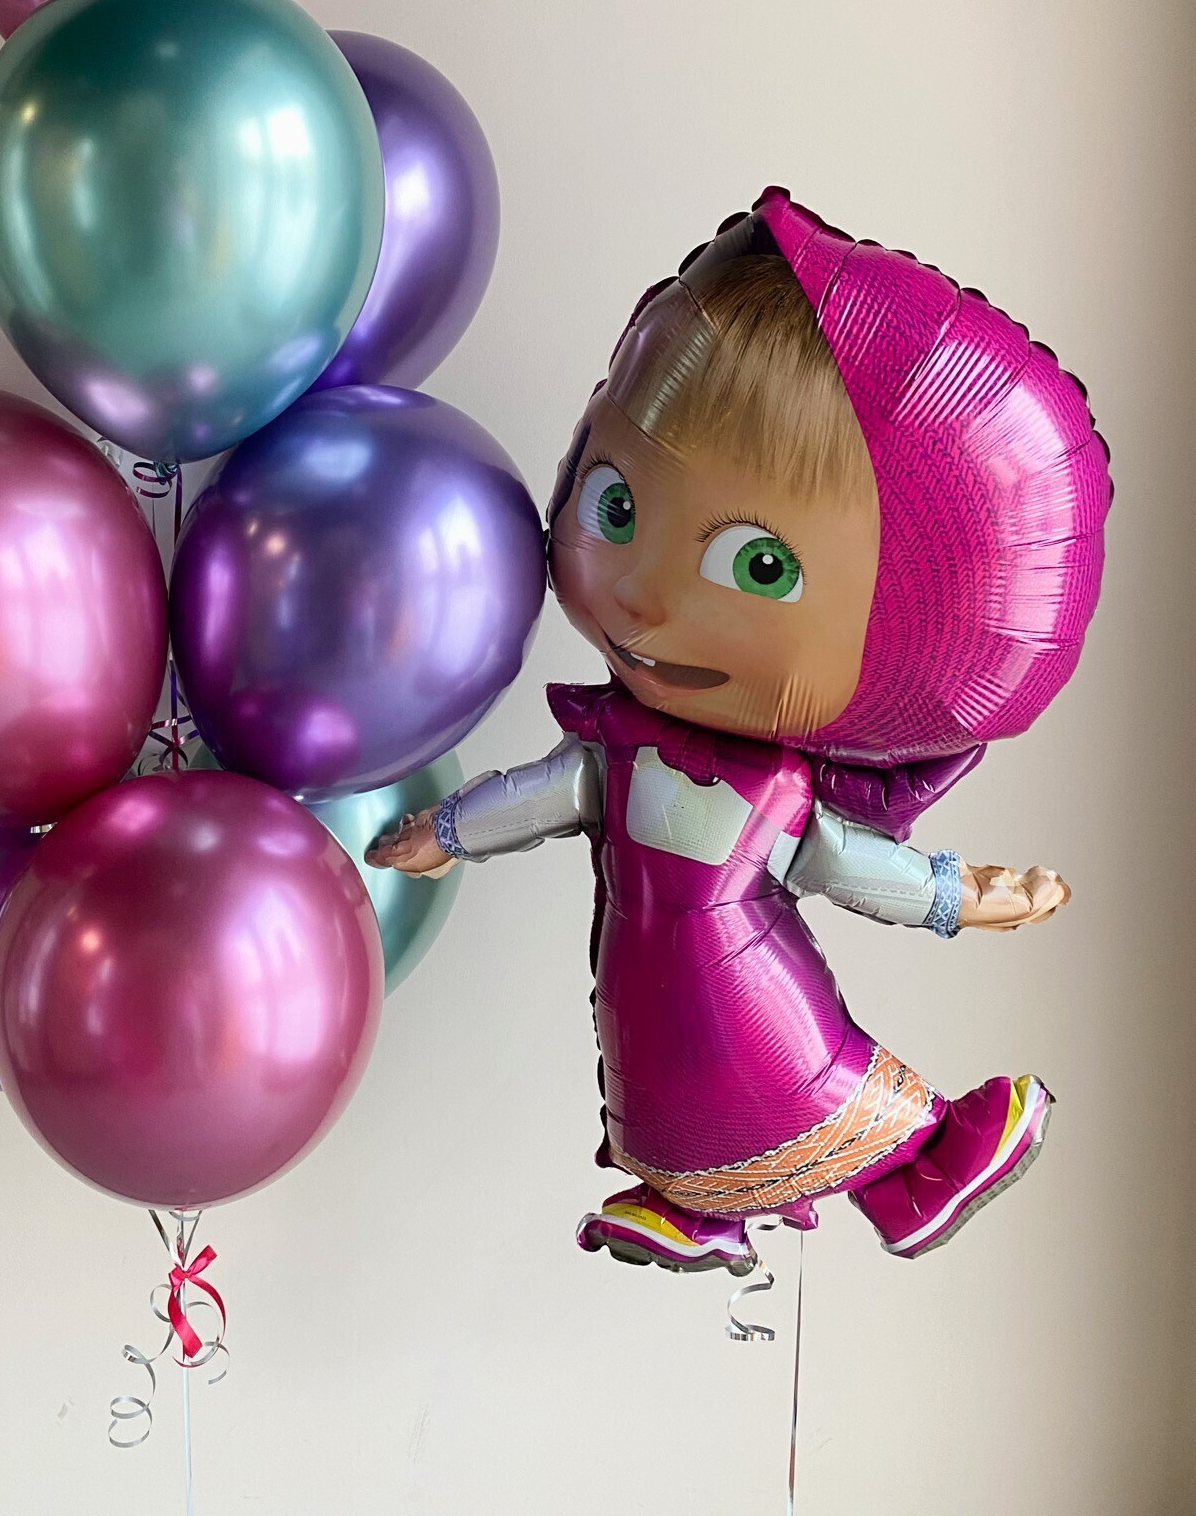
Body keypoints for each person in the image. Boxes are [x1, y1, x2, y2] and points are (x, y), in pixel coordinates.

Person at [369, 190, 1111, 1273]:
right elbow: (533, 795)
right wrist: (445, 830)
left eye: (761, 567)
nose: (646, 598)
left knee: (792, 1077)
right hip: (642, 974)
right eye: (616, 507)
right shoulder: (612, 754)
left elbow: (857, 869)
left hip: (737, 976)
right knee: (661, 1082)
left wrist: (963, 893)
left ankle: (920, 1160)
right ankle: (703, 1202)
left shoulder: (775, 796)